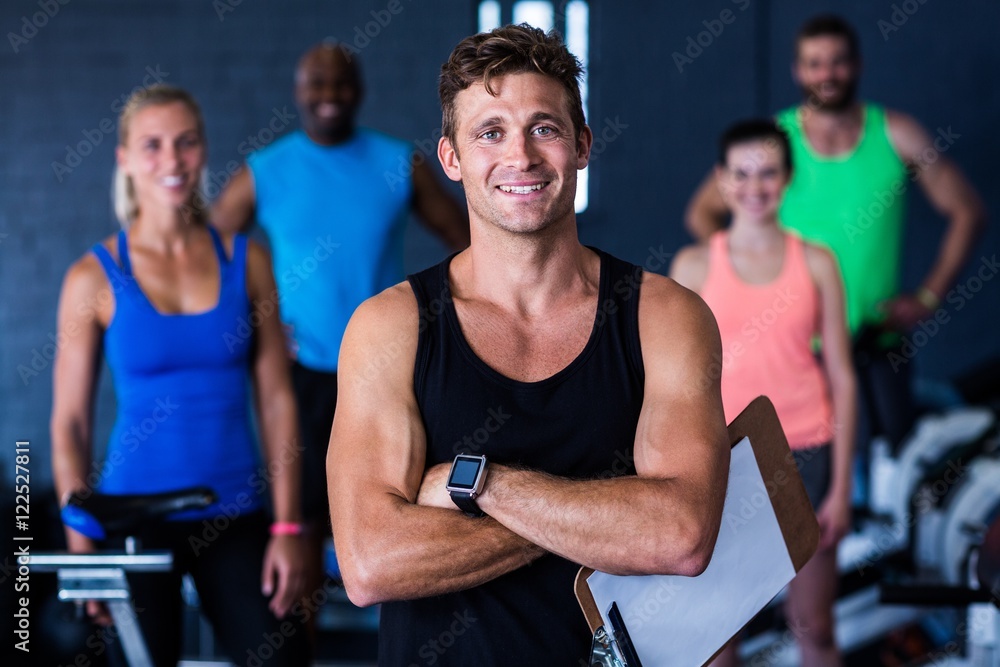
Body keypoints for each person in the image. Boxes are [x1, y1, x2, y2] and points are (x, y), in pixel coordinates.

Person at [328, 24, 730, 666]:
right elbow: (372, 562)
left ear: (582, 145)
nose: (520, 156)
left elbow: (681, 535)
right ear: (452, 158)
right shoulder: (392, 327)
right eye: (490, 133)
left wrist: (476, 485)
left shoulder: (663, 316)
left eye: (544, 127)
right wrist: (609, 511)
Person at [50, 84, 309, 666]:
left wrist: (288, 527)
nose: (172, 161)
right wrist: (80, 540)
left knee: (283, 657)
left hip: (236, 511)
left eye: (186, 143)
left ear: (203, 149)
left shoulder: (248, 260)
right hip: (132, 517)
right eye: (153, 145)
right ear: (125, 159)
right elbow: (68, 421)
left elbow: (275, 401)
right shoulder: (92, 277)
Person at [212, 43, 470, 595]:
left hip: (386, 374)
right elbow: (209, 253)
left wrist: (449, 323)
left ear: (361, 91)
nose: (330, 96)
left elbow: (468, 239)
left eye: (342, 84)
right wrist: (255, 320)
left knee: (399, 516)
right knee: (300, 526)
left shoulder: (400, 162)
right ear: (298, 91)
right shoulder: (268, 170)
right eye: (317, 84)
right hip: (302, 375)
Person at [684, 15, 984, 456]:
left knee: (894, 475)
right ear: (797, 71)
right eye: (814, 63)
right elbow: (701, 213)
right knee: (788, 478)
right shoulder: (773, 143)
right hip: (797, 347)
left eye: (837, 62)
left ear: (858, 64)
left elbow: (968, 211)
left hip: (875, 338)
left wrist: (929, 296)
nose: (826, 74)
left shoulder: (897, 133)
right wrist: (754, 284)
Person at [672, 119, 857, 666]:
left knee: (814, 627)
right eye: (743, 174)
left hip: (806, 455)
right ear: (723, 182)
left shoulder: (818, 261)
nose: (756, 186)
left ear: (788, 178)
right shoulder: (693, 265)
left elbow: (842, 377)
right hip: (724, 460)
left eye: (769, 172)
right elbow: (670, 386)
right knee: (719, 637)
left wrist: (843, 489)